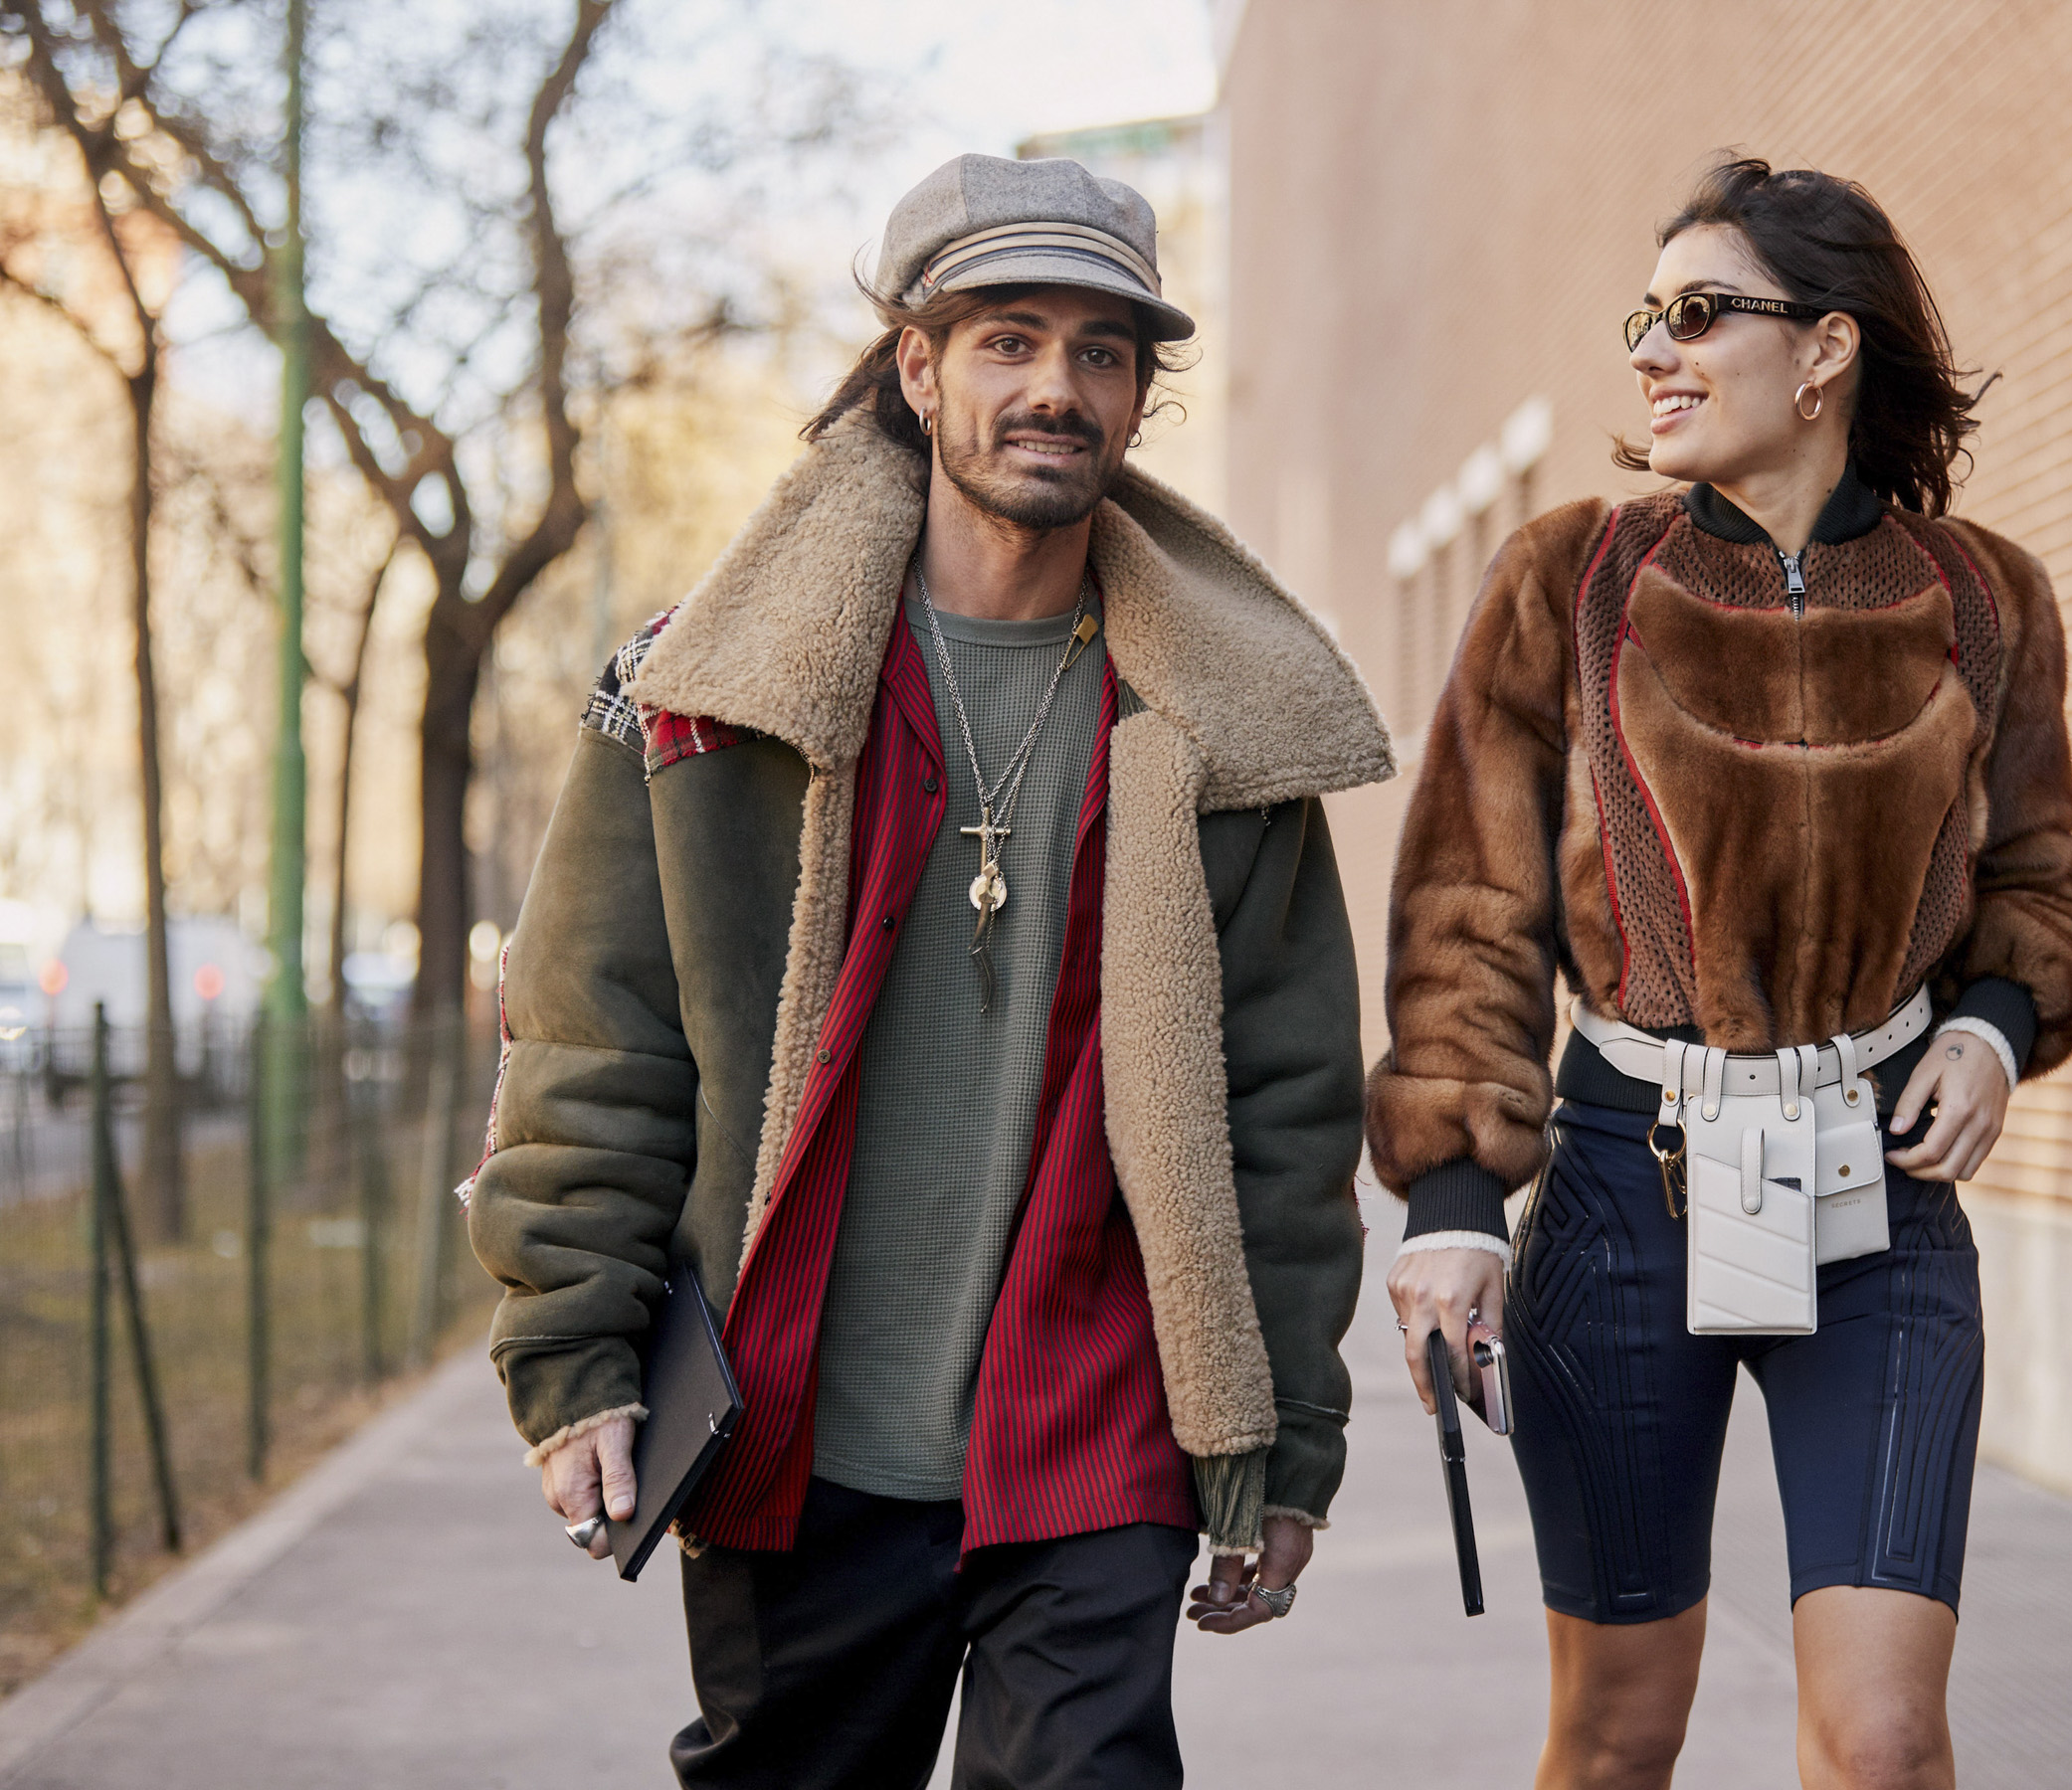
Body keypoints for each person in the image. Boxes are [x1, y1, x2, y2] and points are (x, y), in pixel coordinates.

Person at [468, 153, 1393, 1789]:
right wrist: (574, 1357)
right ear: (918, 367)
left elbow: (1289, 1110)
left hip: (1094, 1433)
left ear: (1139, 395)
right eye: (1008, 340)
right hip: (796, 1434)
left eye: (1101, 352)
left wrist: (1287, 1449)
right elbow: (596, 1045)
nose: (1057, 388)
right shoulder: (709, 697)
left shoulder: (1223, 723)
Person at [1372, 158, 2072, 1790]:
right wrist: (1453, 1203)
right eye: (1646, 318)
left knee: (1887, 1743)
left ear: (1826, 348)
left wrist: (1994, 1026)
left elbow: (2041, 875)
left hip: (1881, 1198)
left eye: (1699, 314)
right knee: (1617, 1739)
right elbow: (1468, 909)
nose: (1654, 350)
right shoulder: (1568, 581)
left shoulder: (1985, 598)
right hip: (1623, 1190)